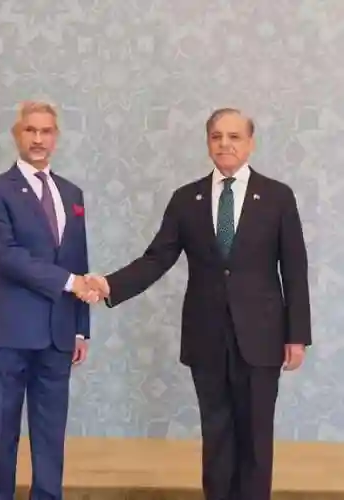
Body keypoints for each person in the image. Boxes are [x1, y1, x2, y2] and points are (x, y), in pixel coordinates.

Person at [86, 108, 312, 500]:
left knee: (256, 438)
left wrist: (297, 336)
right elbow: (157, 258)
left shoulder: (277, 196)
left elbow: (294, 268)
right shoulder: (186, 199)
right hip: (207, 337)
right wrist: (109, 284)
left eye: (234, 137)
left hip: (261, 338)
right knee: (217, 436)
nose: (225, 144)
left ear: (250, 143)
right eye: (216, 136)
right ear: (208, 143)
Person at [0, 101, 96, 500]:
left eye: (46, 131)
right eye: (31, 130)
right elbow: (6, 255)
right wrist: (70, 282)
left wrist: (81, 329)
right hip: (9, 330)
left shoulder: (72, 193)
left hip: (59, 333)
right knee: (1, 431)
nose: (38, 139)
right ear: (17, 135)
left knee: (50, 433)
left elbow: (78, 259)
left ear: (56, 137)